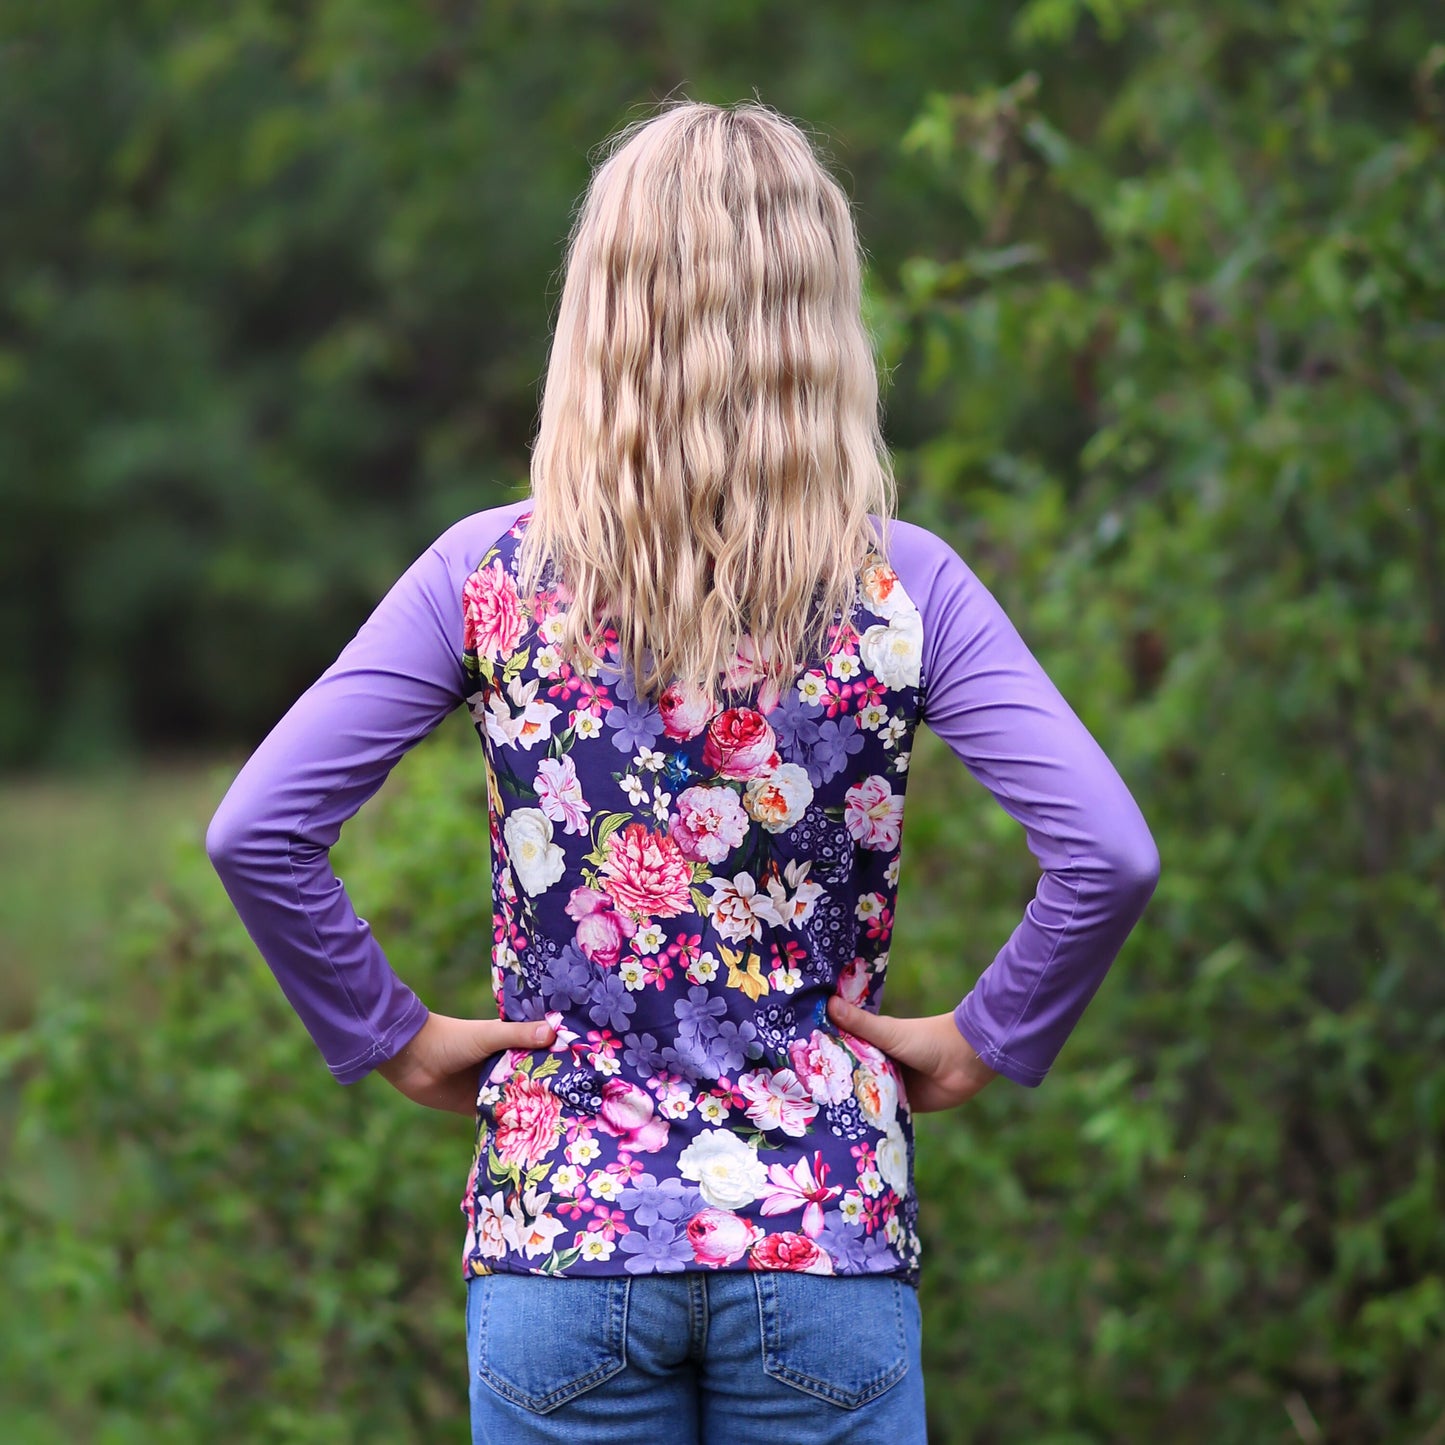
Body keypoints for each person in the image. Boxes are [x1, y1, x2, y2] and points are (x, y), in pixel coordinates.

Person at [205, 98, 1160, 1445]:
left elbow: (258, 830)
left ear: (601, 310)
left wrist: (389, 1032)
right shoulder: (906, 587)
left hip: (561, 1252)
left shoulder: (488, 577)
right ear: (820, 320)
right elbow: (1108, 853)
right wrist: (989, 1031)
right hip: (823, 1239)